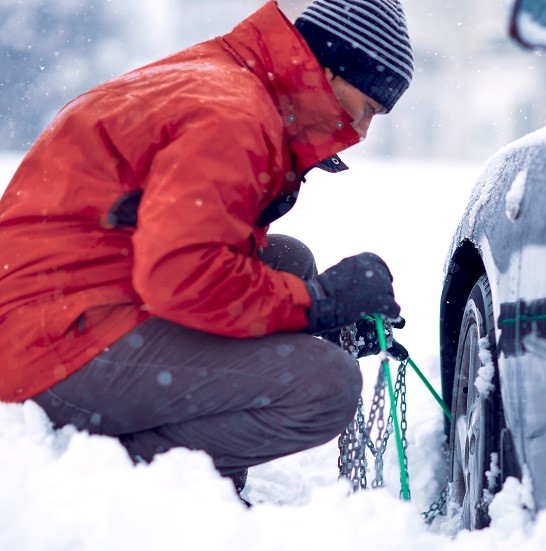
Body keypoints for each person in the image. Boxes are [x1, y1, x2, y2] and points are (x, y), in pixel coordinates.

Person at [0, 0, 414, 503]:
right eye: (368, 107)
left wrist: (316, 316)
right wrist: (317, 303)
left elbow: (197, 251)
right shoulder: (234, 115)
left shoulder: (228, 79)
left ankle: (159, 450)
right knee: (327, 388)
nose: (364, 131)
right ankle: (125, 473)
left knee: (290, 262)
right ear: (330, 69)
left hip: (60, 305)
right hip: (51, 349)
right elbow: (181, 276)